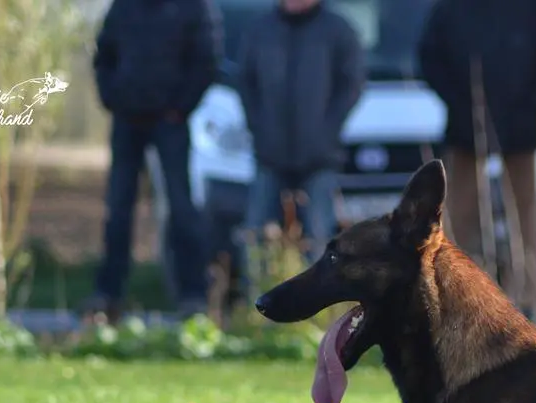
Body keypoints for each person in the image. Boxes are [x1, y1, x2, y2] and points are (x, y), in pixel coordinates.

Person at [417, 0, 536, 294]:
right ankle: (455, 292)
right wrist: (461, 105)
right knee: (457, 215)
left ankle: (527, 296)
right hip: (465, 132)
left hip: (521, 132)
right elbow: (429, 59)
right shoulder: (450, 9)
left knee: (525, 212)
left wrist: (528, 104)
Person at [89, 0, 222, 322]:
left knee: (181, 208)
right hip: (127, 120)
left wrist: (180, 109)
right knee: (118, 208)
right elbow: (103, 55)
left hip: (170, 122)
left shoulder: (193, 8)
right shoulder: (123, 7)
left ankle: (193, 295)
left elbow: (206, 61)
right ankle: (109, 294)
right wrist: (112, 97)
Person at [237, 0, 365, 281]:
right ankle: (255, 306)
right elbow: (245, 82)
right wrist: (258, 126)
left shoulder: (338, 31)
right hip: (269, 154)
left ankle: (316, 307)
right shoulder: (261, 30)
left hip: (319, 157)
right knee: (256, 235)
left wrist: (327, 129)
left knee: (318, 236)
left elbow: (351, 84)